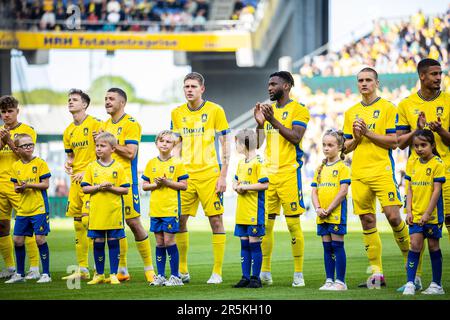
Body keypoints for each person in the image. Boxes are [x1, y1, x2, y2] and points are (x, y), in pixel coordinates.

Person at [343, 67, 410, 289]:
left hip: (382, 172)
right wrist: (357, 138)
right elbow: (345, 147)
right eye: (360, 80)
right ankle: (377, 275)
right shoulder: (350, 112)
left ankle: (412, 270)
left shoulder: (388, 108)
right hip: (359, 174)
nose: (364, 83)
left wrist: (367, 133)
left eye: (368, 80)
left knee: (393, 217)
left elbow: (395, 142)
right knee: (367, 221)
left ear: (377, 83)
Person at [170, 72, 231, 284]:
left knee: (216, 220)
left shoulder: (215, 110)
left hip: (209, 175)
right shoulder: (176, 113)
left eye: (193, 86)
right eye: (186, 86)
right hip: (186, 176)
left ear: (202, 89)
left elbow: (225, 143)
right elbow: (175, 146)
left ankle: (217, 272)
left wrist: (223, 175)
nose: (189, 89)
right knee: (179, 221)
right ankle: (183, 270)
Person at [397, 59, 450, 290]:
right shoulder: (407, 104)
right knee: (417, 232)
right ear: (422, 76)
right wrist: (417, 131)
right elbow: (400, 143)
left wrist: (440, 131)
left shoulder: (448, 101)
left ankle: (437, 282)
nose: (439, 78)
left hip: (445, 172)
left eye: (440, 74)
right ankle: (415, 280)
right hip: (419, 179)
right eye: (434, 74)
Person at [254, 71, 310, 287]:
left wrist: (272, 119)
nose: (269, 88)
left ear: (286, 86)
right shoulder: (268, 112)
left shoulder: (299, 109)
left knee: (293, 225)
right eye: (268, 84)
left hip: (288, 174)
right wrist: (260, 124)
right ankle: (265, 272)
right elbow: (257, 144)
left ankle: (298, 274)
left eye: (273, 84)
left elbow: (296, 137)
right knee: (265, 227)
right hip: (269, 175)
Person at [100, 88, 155, 282]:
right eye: (106, 98)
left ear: (122, 102)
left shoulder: (131, 124)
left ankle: (149, 269)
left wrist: (110, 145)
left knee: (133, 223)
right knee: (115, 226)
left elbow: (131, 153)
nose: (107, 101)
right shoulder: (105, 124)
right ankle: (122, 270)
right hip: (106, 183)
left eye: (111, 99)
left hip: (126, 182)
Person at [61, 89, 102, 281]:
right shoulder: (68, 130)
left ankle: (98, 269)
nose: (70, 102)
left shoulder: (96, 124)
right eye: (69, 100)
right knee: (77, 224)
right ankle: (82, 268)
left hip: (91, 180)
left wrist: (86, 172)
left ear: (84, 104)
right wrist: (69, 163)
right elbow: (71, 156)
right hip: (75, 181)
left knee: (89, 222)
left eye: (75, 100)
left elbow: (105, 152)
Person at [0, 95, 41, 280]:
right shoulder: (1, 131)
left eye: (10, 111)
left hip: (20, 185)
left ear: (17, 111)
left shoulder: (28, 131)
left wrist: (9, 140)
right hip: (0, 185)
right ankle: (9, 267)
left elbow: (26, 156)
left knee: (27, 226)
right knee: (2, 226)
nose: (6, 115)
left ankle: (34, 267)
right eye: (3, 112)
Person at [81, 132, 129, 285]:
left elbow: (125, 190)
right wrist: (99, 187)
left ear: (113, 149)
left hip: (114, 212)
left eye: (102, 146)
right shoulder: (91, 167)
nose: (99, 149)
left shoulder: (118, 167)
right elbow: (85, 189)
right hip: (96, 212)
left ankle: (113, 274)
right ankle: (99, 274)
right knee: (98, 241)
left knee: (114, 242)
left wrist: (110, 188)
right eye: (97, 146)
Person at [142, 130, 188, 287]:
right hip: (155, 210)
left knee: (169, 241)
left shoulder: (178, 163)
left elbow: (184, 185)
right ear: (156, 143)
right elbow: (145, 186)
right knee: (159, 243)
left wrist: (167, 182)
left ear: (173, 145)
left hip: (170, 209)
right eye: (161, 141)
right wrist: (157, 184)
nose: (164, 144)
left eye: (168, 142)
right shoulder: (151, 163)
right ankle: (160, 275)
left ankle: (176, 276)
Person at [402, 130, 445, 295]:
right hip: (416, 214)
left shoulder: (437, 163)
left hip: (432, 215)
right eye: (415, 146)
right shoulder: (412, 163)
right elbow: (410, 190)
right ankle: (410, 283)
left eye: (423, 145)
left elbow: (436, 192)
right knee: (414, 245)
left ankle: (436, 284)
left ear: (432, 145)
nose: (419, 149)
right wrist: (409, 211)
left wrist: (427, 213)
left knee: (433, 246)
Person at [5, 134, 52, 284]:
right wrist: (19, 188)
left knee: (39, 239)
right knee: (17, 240)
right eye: (25, 145)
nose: (29, 147)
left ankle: (45, 274)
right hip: (22, 209)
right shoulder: (16, 166)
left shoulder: (40, 163)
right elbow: (15, 187)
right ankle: (19, 274)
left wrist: (29, 185)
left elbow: (45, 185)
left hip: (39, 208)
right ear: (17, 149)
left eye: (31, 144)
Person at [311, 129, 350, 291]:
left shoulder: (343, 167)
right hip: (322, 214)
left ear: (339, 147)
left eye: (330, 145)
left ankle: (340, 282)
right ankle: (329, 280)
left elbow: (343, 191)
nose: (326, 148)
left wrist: (329, 208)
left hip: (335, 213)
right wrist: (318, 208)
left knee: (337, 245)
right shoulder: (320, 167)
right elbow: (314, 190)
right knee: (327, 247)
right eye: (324, 145)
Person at [232, 129, 268, 289]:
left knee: (254, 244)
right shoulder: (241, 163)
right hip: (242, 211)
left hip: (254, 210)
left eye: (237, 143)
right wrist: (236, 186)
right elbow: (235, 180)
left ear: (244, 144)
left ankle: (255, 278)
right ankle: (245, 277)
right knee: (244, 244)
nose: (236, 146)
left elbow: (265, 184)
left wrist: (245, 187)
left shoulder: (259, 162)